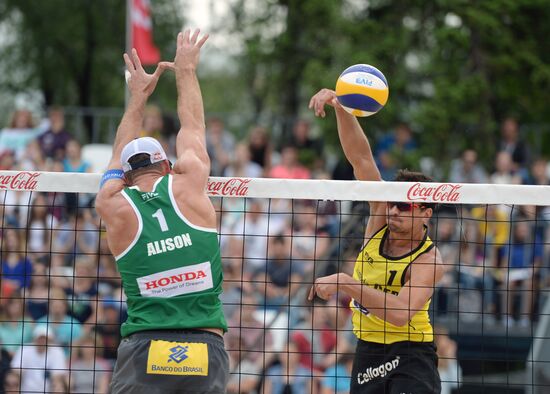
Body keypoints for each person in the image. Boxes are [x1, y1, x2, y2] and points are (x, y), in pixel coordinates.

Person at [95, 29, 229, 393]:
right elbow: (194, 127)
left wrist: (138, 98)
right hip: (205, 343)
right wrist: (185, 70)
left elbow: (115, 155)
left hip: (144, 346)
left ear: (124, 176)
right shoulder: (189, 184)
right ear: (167, 165)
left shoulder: (113, 203)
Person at [308, 88, 444, 393]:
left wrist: (346, 282)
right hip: (367, 349)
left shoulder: (428, 258)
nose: (394, 209)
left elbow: (399, 314)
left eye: (404, 205)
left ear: (426, 213)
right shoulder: (381, 217)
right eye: (394, 202)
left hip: (411, 354)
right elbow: (361, 158)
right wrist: (340, 107)